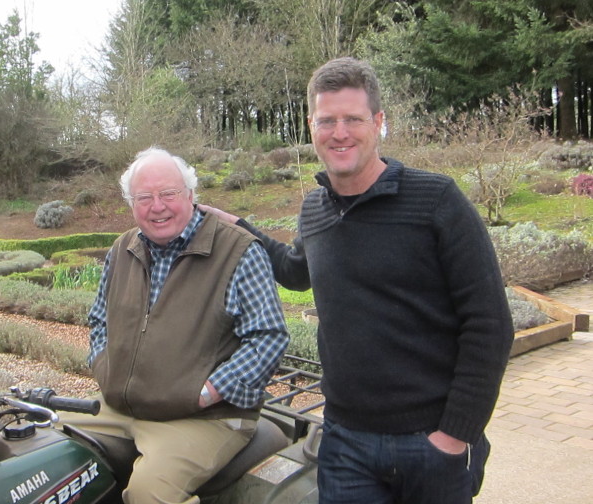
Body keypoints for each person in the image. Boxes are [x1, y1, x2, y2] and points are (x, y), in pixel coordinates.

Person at [200, 57, 514, 503]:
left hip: (429, 441)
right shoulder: (316, 209)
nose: (340, 132)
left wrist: (454, 436)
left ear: (378, 122)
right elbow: (296, 272)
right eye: (327, 120)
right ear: (312, 126)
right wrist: (239, 227)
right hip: (346, 442)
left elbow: (490, 324)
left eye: (353, 119)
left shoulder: (436, 201)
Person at [62, 147, 289, 504]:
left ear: (190, 194)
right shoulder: (123, 248)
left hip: (203, 418)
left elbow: (269, 337)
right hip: (118, 407)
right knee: (46, 453)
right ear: (131, 203)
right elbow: (99, 319)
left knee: (149, 493)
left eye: (168, 193)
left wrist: (205, 392)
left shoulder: (238, 251)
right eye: (144, 197)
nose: (157, 206)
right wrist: (104, 366)